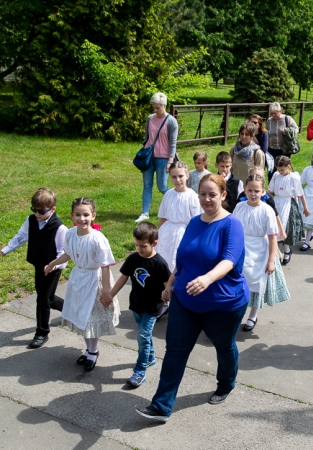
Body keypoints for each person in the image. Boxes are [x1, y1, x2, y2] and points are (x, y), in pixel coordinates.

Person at [136, 174, 248, 423]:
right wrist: (170, 284)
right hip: (186, 301)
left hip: (224, 303)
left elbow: (229, 260)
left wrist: (208, 279)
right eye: (202, 194)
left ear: (223, 195)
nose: (206, 199)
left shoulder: (232, 225)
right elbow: (183, 259)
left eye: (212, 194)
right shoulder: (195, 222)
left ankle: (226, 383)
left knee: (224, 346)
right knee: (175, 351)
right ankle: (161, 406)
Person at [44, 197, 120, 372]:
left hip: (95, 280)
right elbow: (68, 255)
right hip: (79, 278)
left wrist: (107, 291)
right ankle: (89, 349)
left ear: (93, 216)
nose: (82, 218)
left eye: (86, 214)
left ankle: (93, 351)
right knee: (81, 317)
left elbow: (105, 265)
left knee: (89, 318)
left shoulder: (98, 239)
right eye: (78, 214)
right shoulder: (70, 234)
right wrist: (52, 263)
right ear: (72, 215)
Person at [0, 188, 68, 349]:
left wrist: (54, 265)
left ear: (53, 209)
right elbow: (21, 236)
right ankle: (70, 310)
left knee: (43, 299)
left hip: (52, 267)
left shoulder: (59, 228)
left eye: (41, 211)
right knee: (47, 297)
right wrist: (7, 248)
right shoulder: (31, 220)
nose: (37, 214)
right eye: (34, 210)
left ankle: (42, 332)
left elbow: (63, 251)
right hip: (38, 263)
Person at [109, 222, 170, 388]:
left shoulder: (159, 263)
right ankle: (150, 357)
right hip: (136, 304)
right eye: (136, 245)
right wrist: (111, 294)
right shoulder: (133, 258)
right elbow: (123, 277)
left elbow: (167, 283)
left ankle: (140, 370)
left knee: (143, 336)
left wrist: (168, 295)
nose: (139, 249)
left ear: (154, 243)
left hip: (153, 306)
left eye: (143, 246)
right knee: (144, 334)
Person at [234, 174, 290, 332]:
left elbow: (273, 237)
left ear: (263, 192)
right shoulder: (239, 207)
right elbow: (233, 228)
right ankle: (237, 312)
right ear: (244, 190)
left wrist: (271, 261)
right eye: (249, 190)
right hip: (242, 247)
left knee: (256, 282)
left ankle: (253, 314)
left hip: (260, 249)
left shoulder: (267, 210)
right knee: (240, 280)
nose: (252, 194)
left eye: (256, 191)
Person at [136, 92, 179, 223]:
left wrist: (170, 161)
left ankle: (178, 201)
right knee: (147, 185)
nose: (155, 110)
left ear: (164, 105)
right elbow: (147, 137)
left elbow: (173, 142)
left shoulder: (171, 121)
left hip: (164, 158)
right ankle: (145, 213)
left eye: (157, 107)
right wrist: (144, 150)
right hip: (149, 157)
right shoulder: (150, 119)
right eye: (153, 107)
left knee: (162, 187)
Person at [155, 161, 202, 272]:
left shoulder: (193, 197)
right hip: (167, 231)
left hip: (184, 232)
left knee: (177, 259)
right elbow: (163, 217)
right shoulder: (168, 194)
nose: (178, 180)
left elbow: (197, 221)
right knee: (163, 256)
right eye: (174, 177)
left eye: (180, 176)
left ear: (187, 175)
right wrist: (157, 234)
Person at [268, 156, 309, 265]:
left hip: (288, 203)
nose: (280, 172)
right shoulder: (276, 175)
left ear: (288, 167)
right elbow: (270, 190)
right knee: (274, 226)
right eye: (278, 169)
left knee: (287, 228)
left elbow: (300, 194)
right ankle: (275, 251)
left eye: (282, 169)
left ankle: (287, 250)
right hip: (277, 202)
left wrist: (305, 207)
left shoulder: (294, 178)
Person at [266, 103, 299, 174]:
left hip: (284, 149)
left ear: (280, 111)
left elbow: (296, 129)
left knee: (283, 169)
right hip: (271, 148)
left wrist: (287, 132)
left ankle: (284, 183)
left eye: (275, 113)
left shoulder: (287, 119)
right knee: (271, 170)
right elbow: (266, 132)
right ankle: (272, 184)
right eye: (272, 113)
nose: (273, 115)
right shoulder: (269, 120)